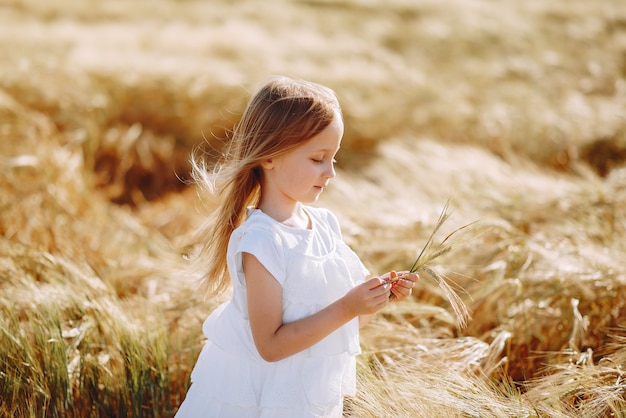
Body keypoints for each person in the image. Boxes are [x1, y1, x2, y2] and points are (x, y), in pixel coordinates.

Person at [175, 75, 418, 418]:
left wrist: (375, 299)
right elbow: (271, 347)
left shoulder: (326, 226)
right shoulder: (261, 241)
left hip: (306, 400)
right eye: (318, 158)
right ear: (270, 157)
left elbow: (340, 330)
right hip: (256, 402)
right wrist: (349, 306)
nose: (330, 171)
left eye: (333, 157)